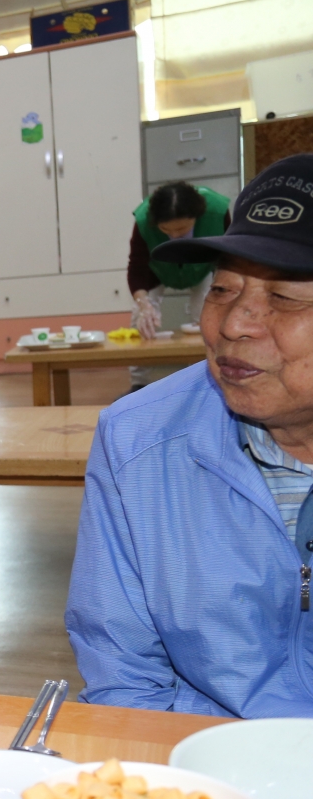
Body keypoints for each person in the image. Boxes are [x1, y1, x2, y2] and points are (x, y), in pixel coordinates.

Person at [66, 153, 313, 717]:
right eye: (223, 289)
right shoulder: (137, 440)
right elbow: (122, 672)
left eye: (282, 298)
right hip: (204, 765)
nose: (231, 324)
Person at [127, 181, 232, 387]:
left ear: (197, 217)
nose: (174, 236)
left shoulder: (217, 211)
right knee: (140, 318)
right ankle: (137, 384)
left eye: (182, 229)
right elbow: (137, 267)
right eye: (166, 230)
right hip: (157, 271)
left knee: (208, 316)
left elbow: (230, 257)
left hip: (203, 268)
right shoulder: (143, 220)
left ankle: (210, 380)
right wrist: (144, 304)